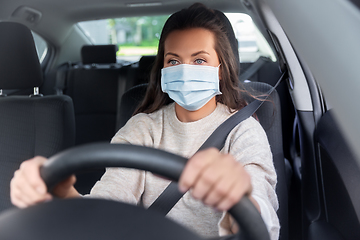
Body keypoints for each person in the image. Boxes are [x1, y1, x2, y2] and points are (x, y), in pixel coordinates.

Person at [10, 3, 280, 240]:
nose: (185, 70)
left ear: (221, 69)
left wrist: (241, 200)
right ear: (162, 69)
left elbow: (262, 215)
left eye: (199, 60)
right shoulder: (142, 127)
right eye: (173, 61)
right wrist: (62, 193)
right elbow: (107, 207)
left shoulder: (244, 130)